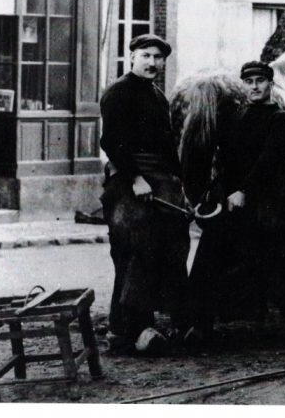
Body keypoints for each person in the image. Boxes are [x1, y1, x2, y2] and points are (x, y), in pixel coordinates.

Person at [188, 60, 285, 342]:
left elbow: (269, 161)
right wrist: (219, 193)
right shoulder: (235, 119)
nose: (254, 87)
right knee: (210, 253)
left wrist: (244, 191)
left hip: (270, 199)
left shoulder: (281, 120)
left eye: (260, 81)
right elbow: (223, 162)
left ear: (270, 84)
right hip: (235, 199)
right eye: (249, 82)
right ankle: (200, 322)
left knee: (284, 255)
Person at [99, 34, 191, 355]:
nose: (152, 62)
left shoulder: (157, 96)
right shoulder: (117, 93)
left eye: (158, 57)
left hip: (160, 181)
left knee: (173, 245)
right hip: (128, 181)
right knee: (135, 249)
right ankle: (126, 329)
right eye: (145, 55)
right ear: (132, 57)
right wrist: (136, 178)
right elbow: (111, 142)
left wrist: (181, 187)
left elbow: (168, 149)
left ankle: (165, 322)